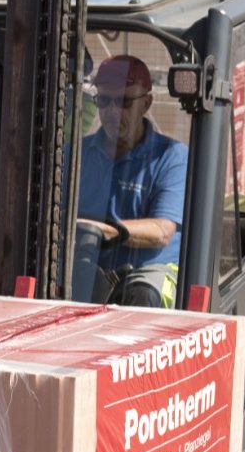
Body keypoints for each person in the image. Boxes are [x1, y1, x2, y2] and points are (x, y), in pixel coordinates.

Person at [75, 54, 187, 306]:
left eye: (124, 101)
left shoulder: (171, 157)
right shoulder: (78, 154)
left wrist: (104, 229)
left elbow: (160, 232)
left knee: (140, 295)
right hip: (92, 267)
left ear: (146, 103)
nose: (112, 111)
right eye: (104, 101)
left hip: (147, 270)